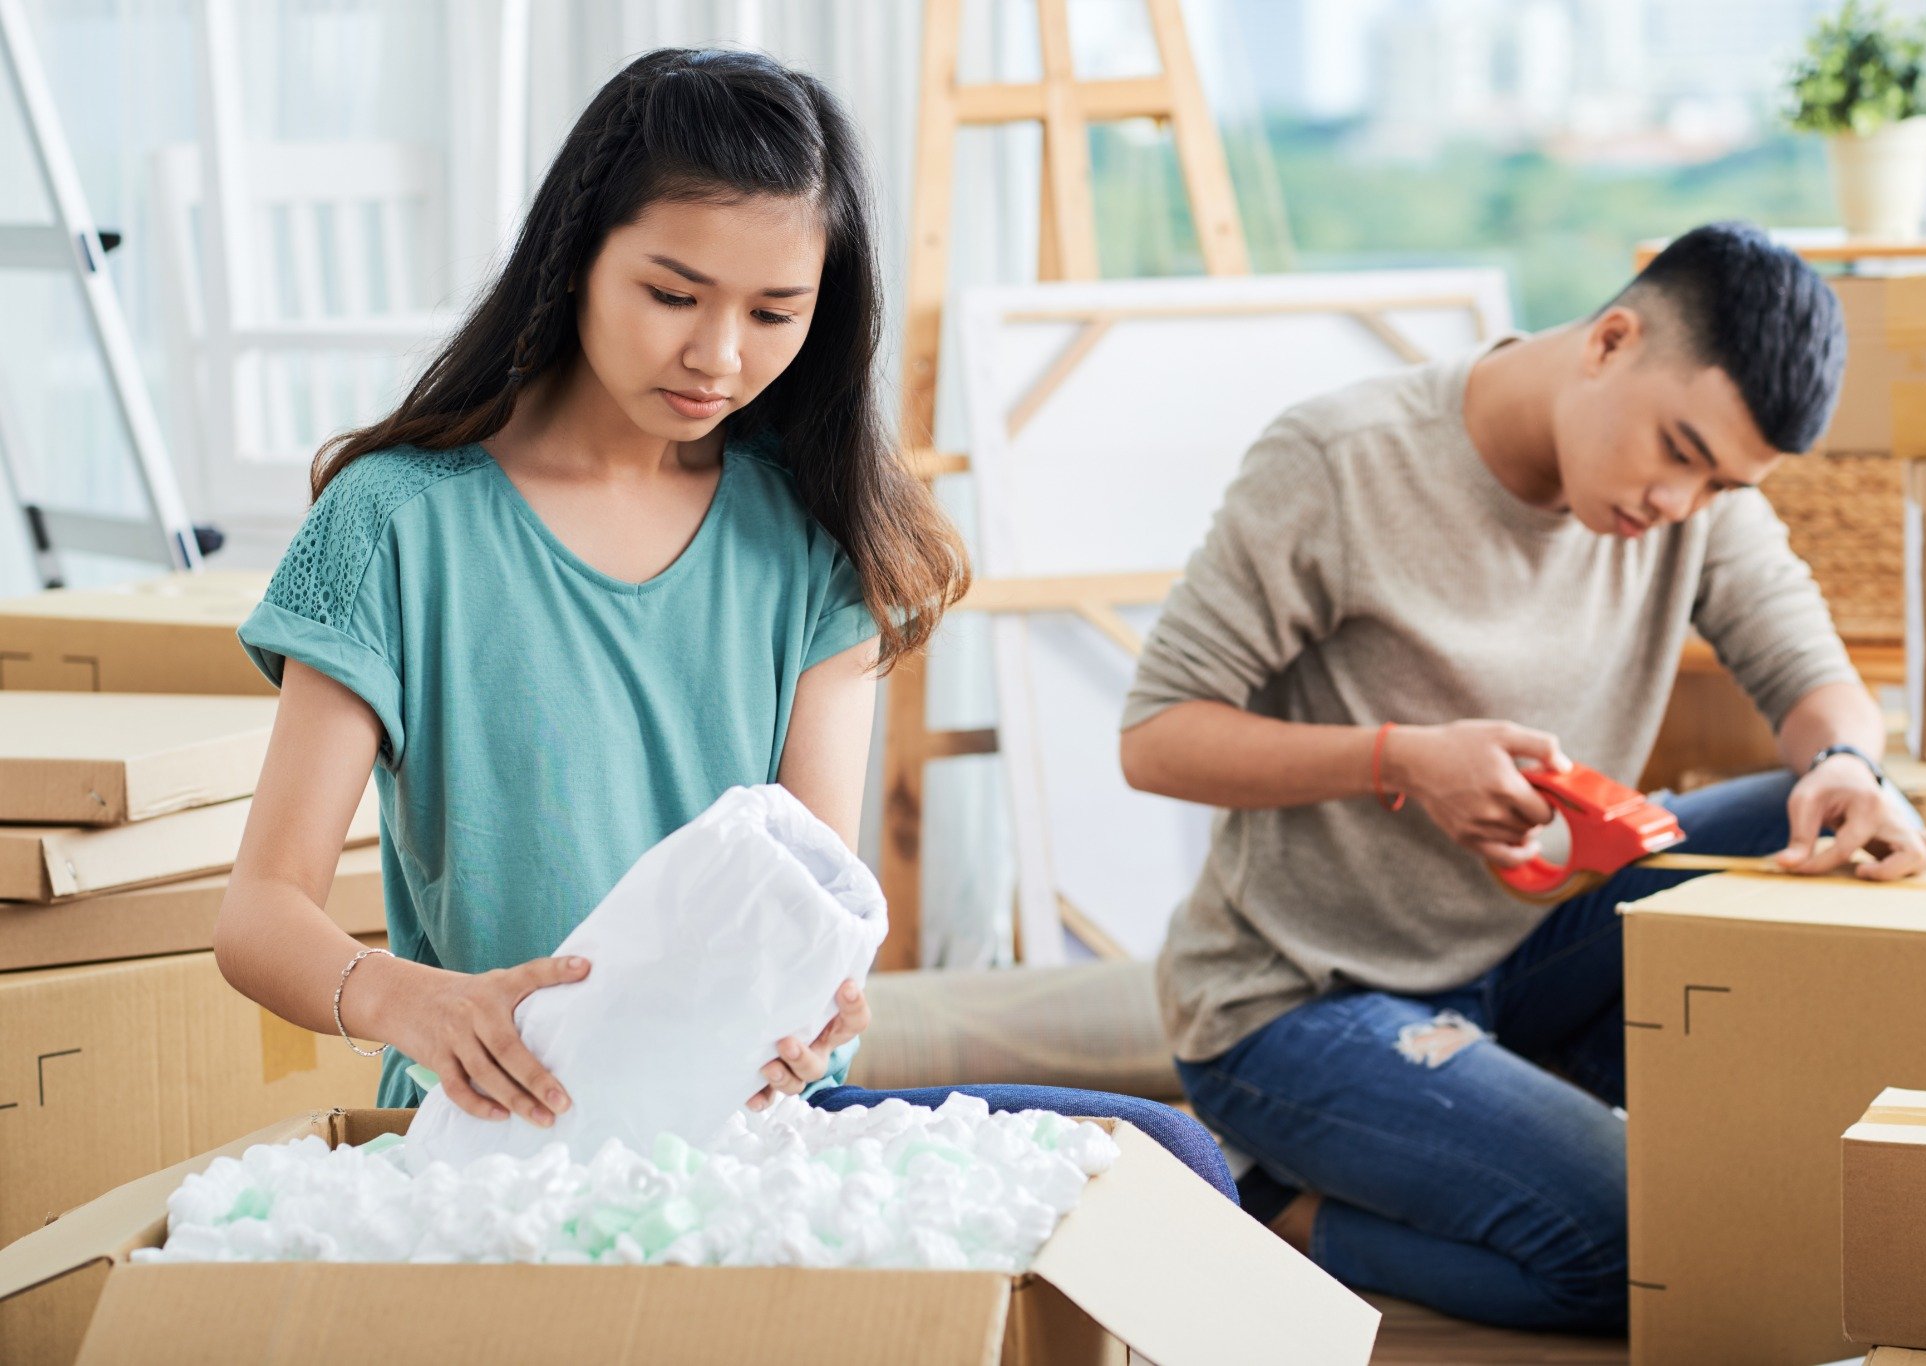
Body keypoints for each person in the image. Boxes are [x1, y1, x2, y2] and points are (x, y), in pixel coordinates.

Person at [215, 47, 1231, 1199]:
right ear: (573, 258)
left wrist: (821, 1010)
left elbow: (801, 896)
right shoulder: (394, 523)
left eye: (773, 311)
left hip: (744, 1120)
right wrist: (417, 1001)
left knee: (1174, 1161)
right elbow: (259, 912)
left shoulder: (814, 531)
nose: (718, 355)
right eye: (671, 294)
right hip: (498, 1128)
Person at [1119, 221, 1926, 1326]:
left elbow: (1815, 682)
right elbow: (1155, 735)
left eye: (1718, 487)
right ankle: (1273, 1207)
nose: (1678, 506)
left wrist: (1846, 765)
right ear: (1609, 341)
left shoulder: (1696, 505)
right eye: (1679, 453)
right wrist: (1398, 757)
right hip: (1302, 996)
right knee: (1653, 1256)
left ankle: (1591, 1105)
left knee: (1856, 819)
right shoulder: (1338, 461)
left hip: (1530, 942)